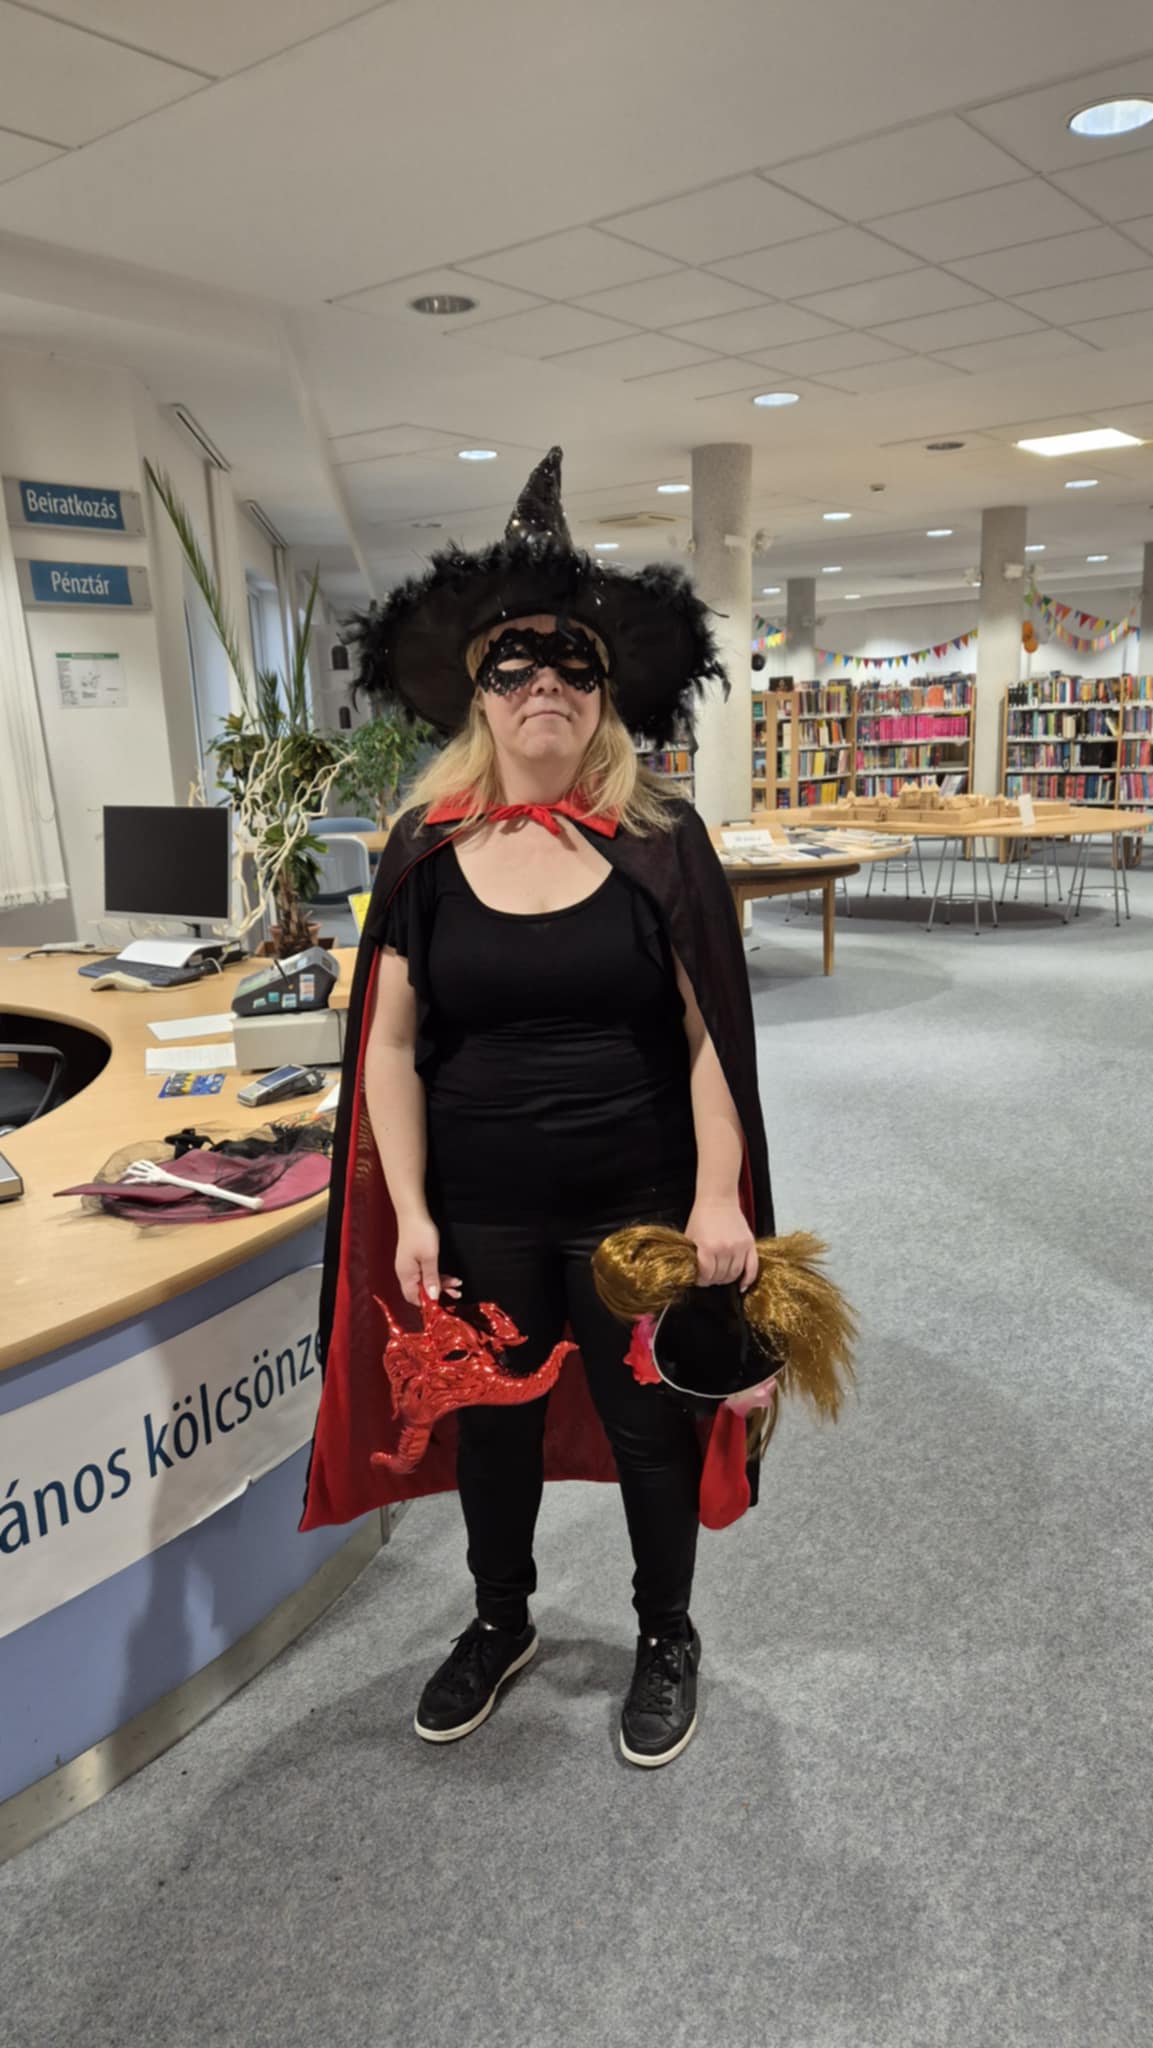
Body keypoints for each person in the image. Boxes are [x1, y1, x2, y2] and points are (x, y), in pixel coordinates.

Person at [303, 449, 777, 1769]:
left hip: (635, 1199)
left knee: (649, 1431)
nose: (544, 685)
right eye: (514, 664)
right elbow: (390, 1046)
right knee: (494, 1421)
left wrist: (716, 1193)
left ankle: (666, 1634)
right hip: (482, 1206)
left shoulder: (660, 842)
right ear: (479, 694)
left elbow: (709, 1041)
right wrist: (409, 1211)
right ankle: (499, 1620)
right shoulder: (427, 848)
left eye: (572, 662)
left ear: (604, 690)